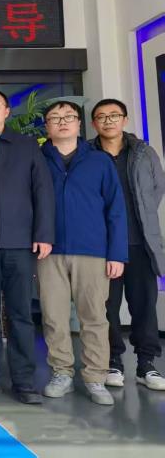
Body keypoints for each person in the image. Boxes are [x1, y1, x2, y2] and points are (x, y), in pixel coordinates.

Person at [0, 88, 55, 404]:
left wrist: (43, 233)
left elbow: (42, 190)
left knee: (20, 314)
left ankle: (24, 382)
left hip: (20, 242)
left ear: (6, 111)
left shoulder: (26, 145)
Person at [39, 100, 127, 406]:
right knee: (54, 316)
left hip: (93, 250)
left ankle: (95, 377)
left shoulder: (100, 161)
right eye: (55, 118)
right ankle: (61, 372)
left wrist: (117, 254)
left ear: (79, 124)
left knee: (94, 317)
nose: (62, 122)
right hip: (48, 252)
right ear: (47, 126)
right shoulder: (38, 160)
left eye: (69, 117)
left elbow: (116, 209)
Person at [89, 99, 165, 390]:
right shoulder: (88, 154)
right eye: (101, 117)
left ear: (125, 119)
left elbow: (157, 187)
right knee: (106, 307)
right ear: (94, 123)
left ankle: (147, 364)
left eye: (114, 115)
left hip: (139, 241)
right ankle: (113, 362)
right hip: (103, 244)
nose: (108, 121)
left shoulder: (144, 153)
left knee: (144, 305)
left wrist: (141, 215)